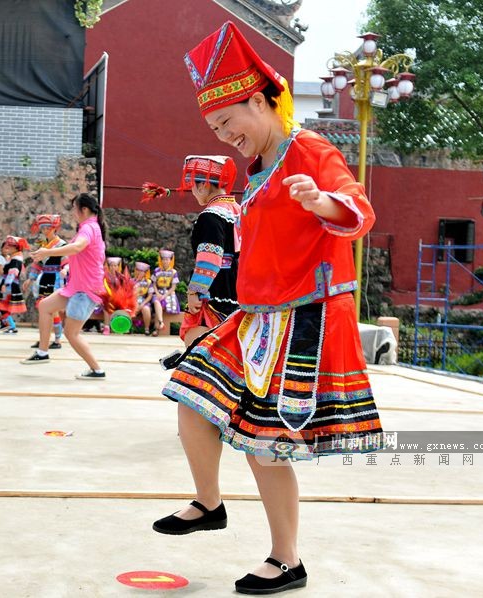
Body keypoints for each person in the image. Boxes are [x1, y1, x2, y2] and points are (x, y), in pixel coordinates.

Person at [156, 21, 384, 595]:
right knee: (189, 392)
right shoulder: (261, 170)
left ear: (258, 101)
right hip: (256, 314)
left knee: (265, 442)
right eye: (214, 128)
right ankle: (209, 502)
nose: (224, 135)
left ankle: (286, 559)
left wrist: (323, 200)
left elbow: (358, 210)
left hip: (304, 315)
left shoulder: (309, 149)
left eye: (227, 122)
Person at [143, 155, 241, 345]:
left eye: (193, 188)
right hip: (239, 291)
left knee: (198, 344)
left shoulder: (211, 216)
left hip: (217, 292)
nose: (193, 193)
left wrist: (194, 291)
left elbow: (210, 259)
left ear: (203, 185)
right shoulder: (238, 210)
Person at [21, 193, 107, 380]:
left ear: (84, 210)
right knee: (45, 306)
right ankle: (43, 352)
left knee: (71, 333)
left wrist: (47, 252)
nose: (73, 214)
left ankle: (97, 370)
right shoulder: (91, 227)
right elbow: (81, 254)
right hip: (76, 286)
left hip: (85, 290)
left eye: (75, 209)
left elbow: (77, 248)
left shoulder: (89, 228)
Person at [27, 214, 67, 349]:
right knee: (43, 310)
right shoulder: (42, 244)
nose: (45, 230)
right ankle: (44, 338)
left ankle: (57, 340)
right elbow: (37, 264)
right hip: (44, 278)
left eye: (47, 227)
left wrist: (66, 270)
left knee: (52, 310)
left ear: (54, 228)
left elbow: (67, 261)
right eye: (43, 228)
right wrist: (31, 278)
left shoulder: (61, 245)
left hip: (55, 278)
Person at [0, 236, 29, 334]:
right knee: (3, 307)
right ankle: (10, 325)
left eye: (10, 246)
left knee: (3, 306)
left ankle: (11, 326)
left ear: (16, 247)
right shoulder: (14, 258)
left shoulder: (15, 259)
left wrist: (6, 284)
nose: (8, 247)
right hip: (10, 284)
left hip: (10, 285)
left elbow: (13, 273)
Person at [151, 249, 181, 336]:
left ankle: (157, 328)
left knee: (160, 305)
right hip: (158, 292)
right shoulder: (157, 270)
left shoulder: (173, 272)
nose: (165, 261)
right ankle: (160, 323)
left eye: (167, 259)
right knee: (157, 302)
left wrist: (164, 295)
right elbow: (153, 284)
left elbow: (173, 287)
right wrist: (157, 293)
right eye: (163, 259)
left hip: (169, 293)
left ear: (170, 260)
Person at [131, 262, 155, 335]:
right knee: (128, 309)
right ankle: (128, 328)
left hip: (145, 301)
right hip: (132, 301)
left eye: (142, 271)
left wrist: (142, 304)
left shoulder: (148, 282)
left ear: (145, 273)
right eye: (138, 270)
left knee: (146, 309)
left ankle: (146, 329)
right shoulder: (131, 281)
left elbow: (150, 295)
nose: (139, 273)